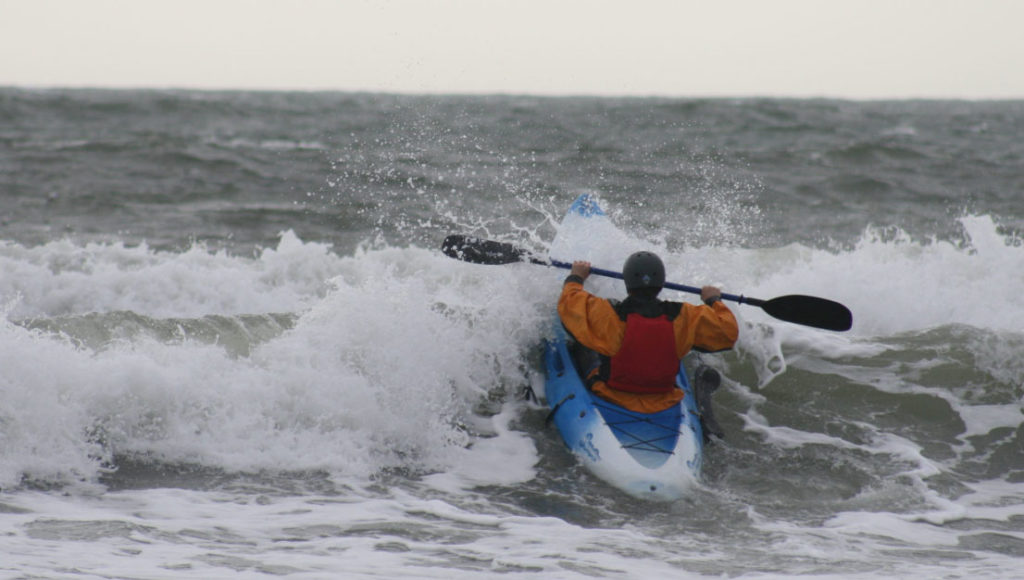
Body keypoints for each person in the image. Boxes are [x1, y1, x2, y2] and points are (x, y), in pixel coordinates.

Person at [557, 251, 739, 414]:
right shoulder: (686, 316)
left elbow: (570, 303)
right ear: (661, 284)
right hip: (664, 397)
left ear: (627, 284)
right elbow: (728, 332)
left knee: (584, 340)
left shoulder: (608, 314)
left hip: (611, 393)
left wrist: (576, 277)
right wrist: (713, 299)